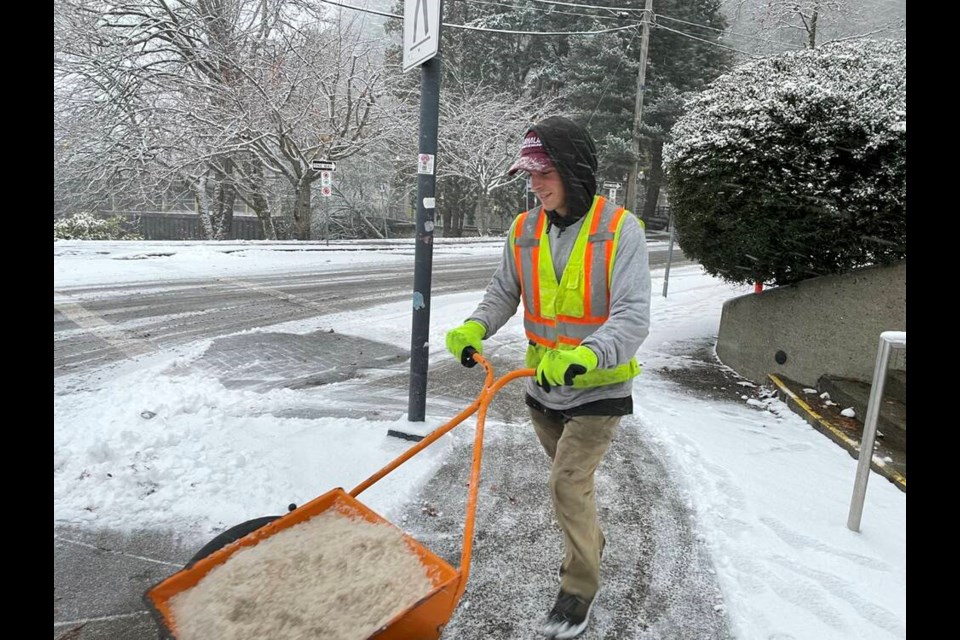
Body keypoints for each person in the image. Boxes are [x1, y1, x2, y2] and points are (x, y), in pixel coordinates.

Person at [444, 116, 651, 639]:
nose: (534, 184)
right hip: (541, 389)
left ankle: (579, 588)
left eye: (543, 172)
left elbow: (631, 316)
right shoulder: (525, 229)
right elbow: (503, 293)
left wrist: (586, 353)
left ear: (573, 169)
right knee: (572, 490)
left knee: (566, 483)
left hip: (599, 390)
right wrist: (475, 326)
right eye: (529, 175)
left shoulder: (619, 228)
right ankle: (590, 541)